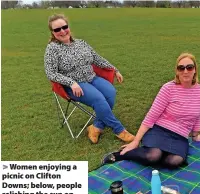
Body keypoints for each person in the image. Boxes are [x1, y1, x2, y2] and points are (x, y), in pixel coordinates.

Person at [102, 53, 200, 168]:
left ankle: (157, 154)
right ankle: (121, 155)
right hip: (160, 130)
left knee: (174, 162)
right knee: (153, 156)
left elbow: (198, 113)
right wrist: (136, 141)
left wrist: (195, 135)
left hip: (180, 135)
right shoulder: (168, 88)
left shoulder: (199, 90)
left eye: (189, 67)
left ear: (195, 70)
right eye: (181, 68)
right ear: (177, 71)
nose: (185, 71)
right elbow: (151, 116)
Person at [44, 14, 134, 144]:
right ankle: (119, 130)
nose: (62, 31)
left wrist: (115, 69)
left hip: (92, 78)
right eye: (57, 29)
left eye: (65, 27)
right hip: (74, 86)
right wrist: (71, 82)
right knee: (98, 99)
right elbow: (50, 73)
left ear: (68, 27)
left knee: (110, 93)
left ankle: (96, 127)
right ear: (52, 32)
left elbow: (97, 58)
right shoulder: (52, 48)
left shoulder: (81, 43)